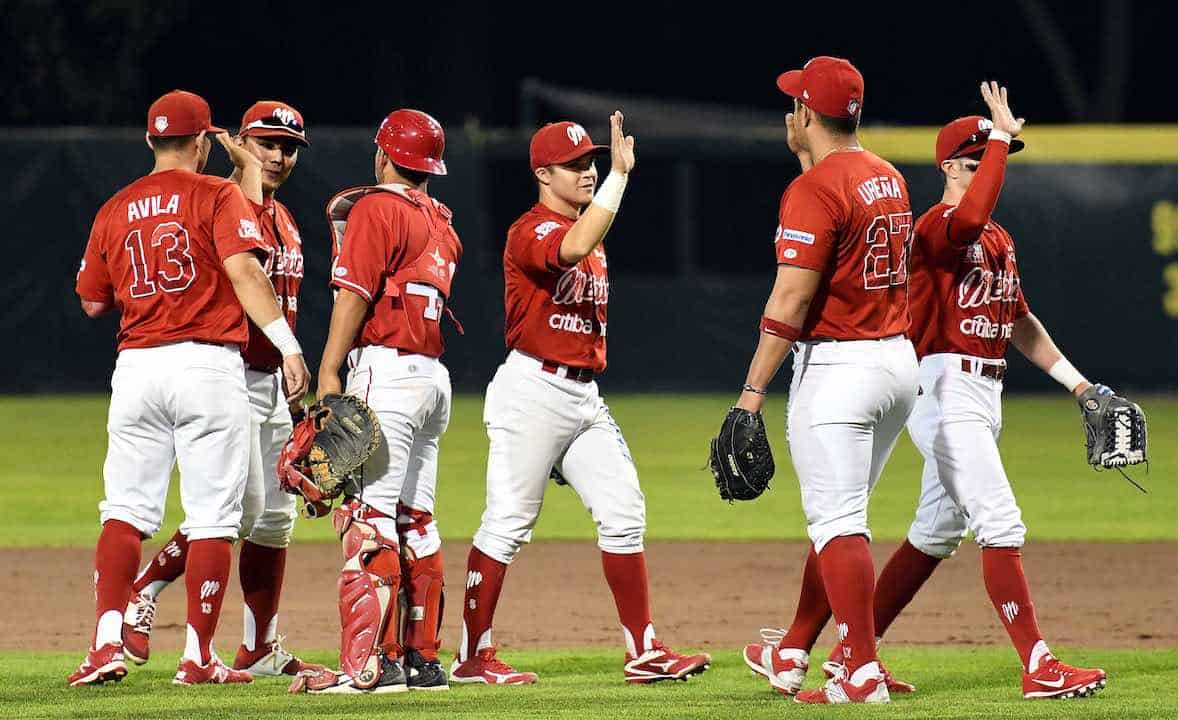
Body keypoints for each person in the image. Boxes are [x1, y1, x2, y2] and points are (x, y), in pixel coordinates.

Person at [815, 83, 1107, 700]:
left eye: (993, 163)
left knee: (933, 533)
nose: (987, 175)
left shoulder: (999, 240)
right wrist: (999, 135)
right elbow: (970, 214)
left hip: (985, 392)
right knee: (1000, 521)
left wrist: (1078, 385)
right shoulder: (938, 226)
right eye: (976, 164)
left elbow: (1020, 322)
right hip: (942, 389)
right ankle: (1039, 664)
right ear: (949, 167)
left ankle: (848, 660)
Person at [452, 114, 711, 686]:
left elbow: (589, 238)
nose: (588, 171)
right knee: (508, 524)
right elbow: (574, 243)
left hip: (583, 395)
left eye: (591, 162)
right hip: (532, 391)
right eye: (575, 165)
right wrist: (620, 177)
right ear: (543, 175)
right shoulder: (531, 231)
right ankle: (472, 654)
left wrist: (610, 182)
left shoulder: (594, 239)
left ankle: (643, 651)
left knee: (624, 513)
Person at [69, 89, 309, 687]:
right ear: (204, 142)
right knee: (213, 517)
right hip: (208, 365)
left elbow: (94, 301)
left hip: (137, 368)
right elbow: (246, 272)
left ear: (151, 140)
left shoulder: (114, 207)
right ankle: (199, 657)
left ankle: (104, 645)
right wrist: (288, 345)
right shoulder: (219, 193)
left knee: (124, 509)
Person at [732, 57, 918, 705]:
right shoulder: (888, 176)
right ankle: (791, 651)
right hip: (898, 363)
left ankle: (860, 671)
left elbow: (789, 302)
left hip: (841, 368)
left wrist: (751, 393)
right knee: (838, 519)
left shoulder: (812, 188)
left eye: (795, 104)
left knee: (838, 522)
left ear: (807, 114)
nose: (790, 113)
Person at [290, 108, 461, 694]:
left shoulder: (377, 208)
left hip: (385, 372)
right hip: (432, 381)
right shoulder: (443, 221)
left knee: (366, 520)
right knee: (416, 520)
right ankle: (423, 661)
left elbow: (353, 296)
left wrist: (330, 368)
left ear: (384, 155)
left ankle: (369, 668)